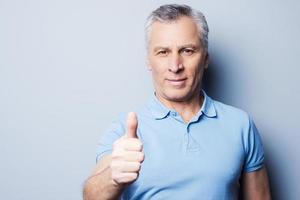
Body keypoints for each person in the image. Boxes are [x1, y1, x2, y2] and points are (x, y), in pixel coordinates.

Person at [83, 4, 271, 200]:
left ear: (205, 58)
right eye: (163, 52)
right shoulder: (123, 129)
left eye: (187, 51)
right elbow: (91, 196)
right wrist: (112, 178)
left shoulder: (240, 125)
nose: (175, 66)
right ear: (149, 60)